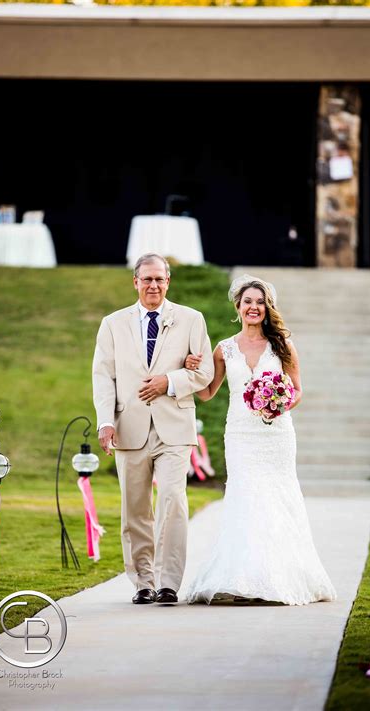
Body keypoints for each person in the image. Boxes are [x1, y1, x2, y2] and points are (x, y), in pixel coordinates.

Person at [184, 274, 336, 605]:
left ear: (268, 308)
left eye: (260, 302)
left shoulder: (282, 344)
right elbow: (209, 392)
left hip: (276, 434)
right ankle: (240, 579)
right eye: (248, 302)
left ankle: (279, 577)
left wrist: (278, 403)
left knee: (278, 498)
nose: (254, 307)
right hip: (240, 434)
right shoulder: (224, 349)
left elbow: (297, 390)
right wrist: (192, 368)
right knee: (245, 497)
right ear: (237, 306)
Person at [92, 253, 214, 605]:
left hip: (174, 427)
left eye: (160, 279)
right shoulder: (112, 324)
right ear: (135, 282)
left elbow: (204, 373)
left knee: (173, 501)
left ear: (168, 281)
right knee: (135, 508)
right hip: (128, 427)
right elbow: (103, 377)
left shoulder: (191, 319)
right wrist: (105, 421)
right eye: (147, 279)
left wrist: (169, 381)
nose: (153, 285)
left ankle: (168, 583)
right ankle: (143, 582)